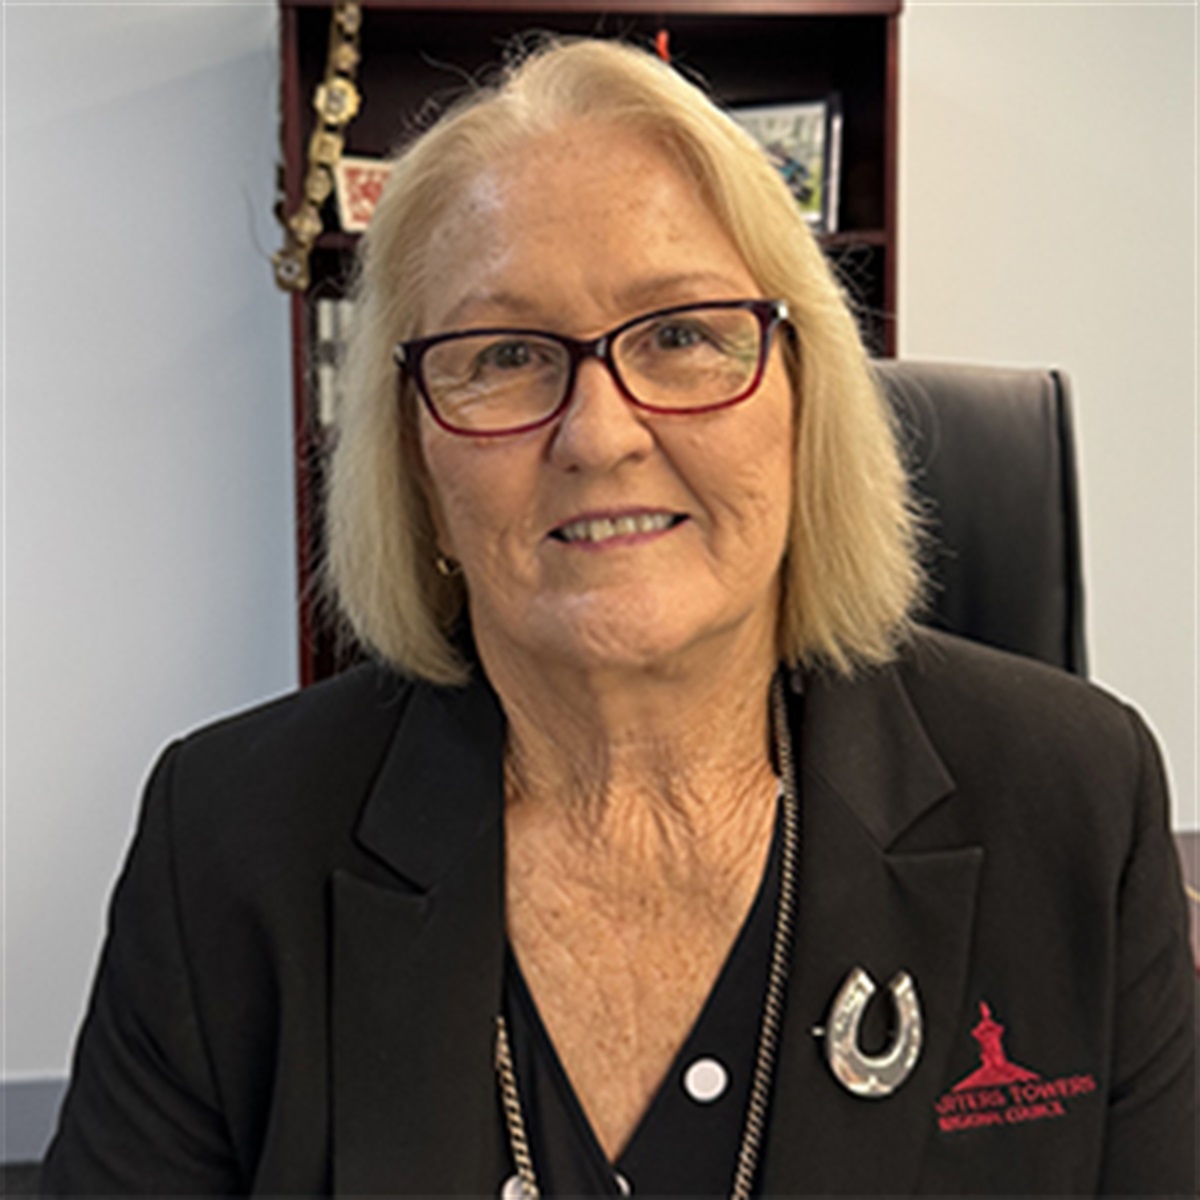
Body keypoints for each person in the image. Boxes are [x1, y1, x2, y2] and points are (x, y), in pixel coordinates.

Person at [42, 37, 1193, 1198]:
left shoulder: (1076, 801)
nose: (597, 436)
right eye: (504, 354)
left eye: (682, 335)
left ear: (806, 404)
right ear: (417, 464)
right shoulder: (228, 845)